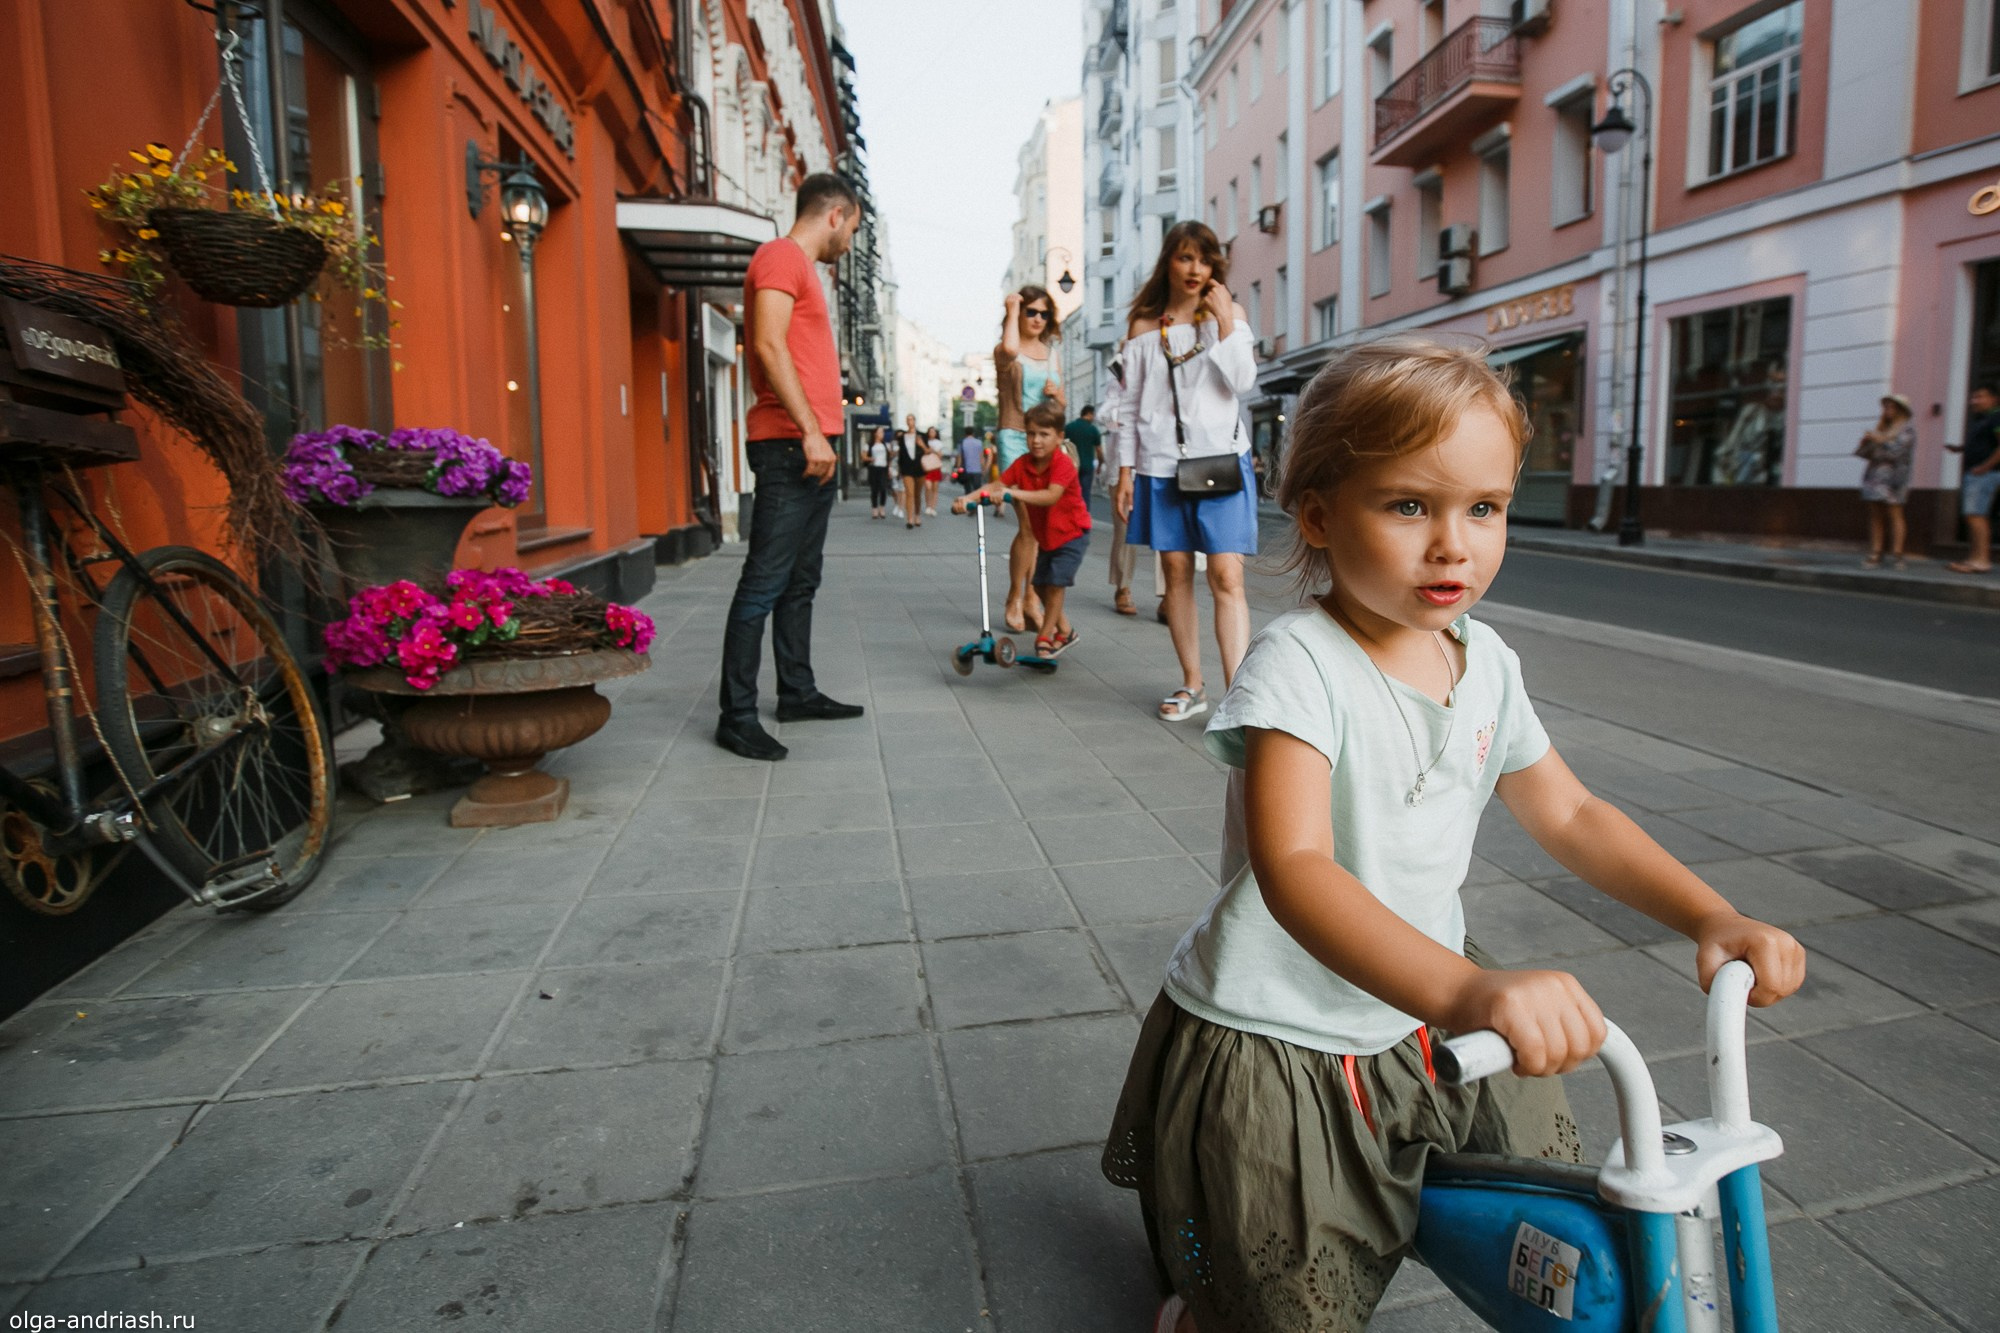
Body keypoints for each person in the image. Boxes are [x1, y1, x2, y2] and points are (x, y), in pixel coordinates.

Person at [1102, 335, 1808, 1333]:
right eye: (1408, 505)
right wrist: (1468, 991)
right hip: (1288, 1030)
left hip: (1423, 998)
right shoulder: (1298, 664)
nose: (1453, 544)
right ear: (1316, 515)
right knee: (1283, 1295)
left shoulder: (1486, 662)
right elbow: (1293, 866)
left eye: (1482, 507)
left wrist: (1708, 913)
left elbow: (1567, 811)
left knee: (1558, 1216)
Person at [715, 173, 868, 763]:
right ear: (835, 215)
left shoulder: (799, 268)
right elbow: (769, 346)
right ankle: (737, 716)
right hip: (789, 445)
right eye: (851, 230)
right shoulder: (782, 256)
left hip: (810, 447)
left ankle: (797, 693)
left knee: (800, 582)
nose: (849, 243)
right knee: (763, 583)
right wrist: (809, 431)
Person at [1112, 220, 1258, 722]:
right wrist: (1125, 470)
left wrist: (1223, 323)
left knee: (1224, 574)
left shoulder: (1228, 313)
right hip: (1159, 466)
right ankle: (1193, 684)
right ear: (1168, 262)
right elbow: (1129, 407)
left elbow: (1242, 381)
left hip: (1220, 460)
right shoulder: (1143, 327)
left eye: (1204, 259)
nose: (1195, 269)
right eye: (1185, 257)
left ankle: (1237, 696)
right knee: (1174, 571)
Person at [955, 400, 1091, 656]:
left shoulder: (1062, 465)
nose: (1036, 440)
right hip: (1048, 538)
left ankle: (1044, 637)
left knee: (1054, 584)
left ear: (1059, 437)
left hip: (1071, 535)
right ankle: (1066, 632)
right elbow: (995, 486)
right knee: (1039, 587)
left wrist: (1014, 494)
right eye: (1031, 434)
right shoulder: (1023, 463)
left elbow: (1051, 496)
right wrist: (968, 499)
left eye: (1044, 434)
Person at [995, 285, 1066, 632]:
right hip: (1014, 438)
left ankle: (1029, 598)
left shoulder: (1052, 354)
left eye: (1043, 313)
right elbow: (1010, 347)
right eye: (1030, 311)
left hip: (1045, 445)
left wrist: (1057, 396)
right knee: (1027, 525)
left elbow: (1062, 405)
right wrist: (1011, 308)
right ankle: (1016, 596)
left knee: (1039, 529)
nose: (1038, 318)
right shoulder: (1005, 351)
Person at [1856, 394, 1915, 568]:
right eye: (1886, 406)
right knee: (1875, 515)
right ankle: (1875, 551)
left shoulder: (1907, 429)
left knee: (1895, 514)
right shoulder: (1882, 428)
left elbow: (1896, 452)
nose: (1887, 410)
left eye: (1891, 407)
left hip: (1895, 478)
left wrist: (1879, 441)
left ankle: (1898, 554)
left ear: (1901, 410)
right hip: (1875, 477)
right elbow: (1866, 454)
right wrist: (1866, 444)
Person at [1100, 362, 1140, 616]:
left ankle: (1168, 594)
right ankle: (1122, 587)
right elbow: (1107, 415)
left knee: (1168, 532)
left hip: (1162, 460)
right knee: (1126, 529)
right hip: (1123, 464)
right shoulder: (1122, 373)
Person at [1947, 383, 1999, 574]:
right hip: (1976, 472)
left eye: (1980, 397)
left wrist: (1984, 467)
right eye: (1973, 397)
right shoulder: (1983, 420)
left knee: (1977, 516)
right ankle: (1974, 558)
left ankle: (1981, 560)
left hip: (1984, 474)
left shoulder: (1996, 417)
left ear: (1994, 399)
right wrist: (1959, 449)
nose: (1974, 401)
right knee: (1973, 515)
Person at [1066, 404, 1102, 506]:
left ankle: (1071, 515)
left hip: (1072, 465)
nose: (1094, 418)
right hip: (1087, 466)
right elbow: (1099, 450)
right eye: (1093, 415)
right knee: (1085, 493)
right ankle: (1083, 517)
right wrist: (1100, 464)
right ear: (1089, 414)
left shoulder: (1070, 427)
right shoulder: (1093, 430)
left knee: (1072, 492)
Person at [895, 413, 927, 530]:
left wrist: (922, 445)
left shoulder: (922, 436)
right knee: (909, 493)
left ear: (915, 421)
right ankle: (910, 519)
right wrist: (899, 469)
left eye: (911, 419)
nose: (909, 421)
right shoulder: (902, 437)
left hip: (920, 467)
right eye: (907, 419)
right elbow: (900, 455)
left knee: (917, 494)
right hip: (907, 468)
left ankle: (917, 514)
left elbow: (928, 452)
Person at [865, 425, 892, 520]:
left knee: (883, 488)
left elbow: (889, 458)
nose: (882, 434)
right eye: (880, 432)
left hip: (883, 468)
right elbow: (863, 456)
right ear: (875, 433)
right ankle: (874, 509)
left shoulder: (886, 445)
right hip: (874, 468)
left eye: (883, 432)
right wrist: (870, 458)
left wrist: (889, 469)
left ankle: (882, 507)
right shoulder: (869, 445)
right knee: (874, 489)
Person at [921, 426, 945, 516]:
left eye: (933, 431)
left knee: (935, 488)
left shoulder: (939, 443)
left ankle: (933, 507)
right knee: (928, 487)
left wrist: (933, 450)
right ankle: (927, 506)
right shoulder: (924, 442)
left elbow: (940, 456)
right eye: (930, 431)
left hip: (935, 466)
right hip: (927, 467)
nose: (932, 433)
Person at [957, 427, 984, 495]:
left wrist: (957, 468)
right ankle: (978, 504)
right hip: (977, 470)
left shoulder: (962, 442)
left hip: (966, 471)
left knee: (968, 490)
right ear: (973, 433)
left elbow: (959, 457)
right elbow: (981, 457)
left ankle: (969, 504)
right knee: (977, 491)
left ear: (965, 433)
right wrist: (983, 469)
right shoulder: (979, 443)